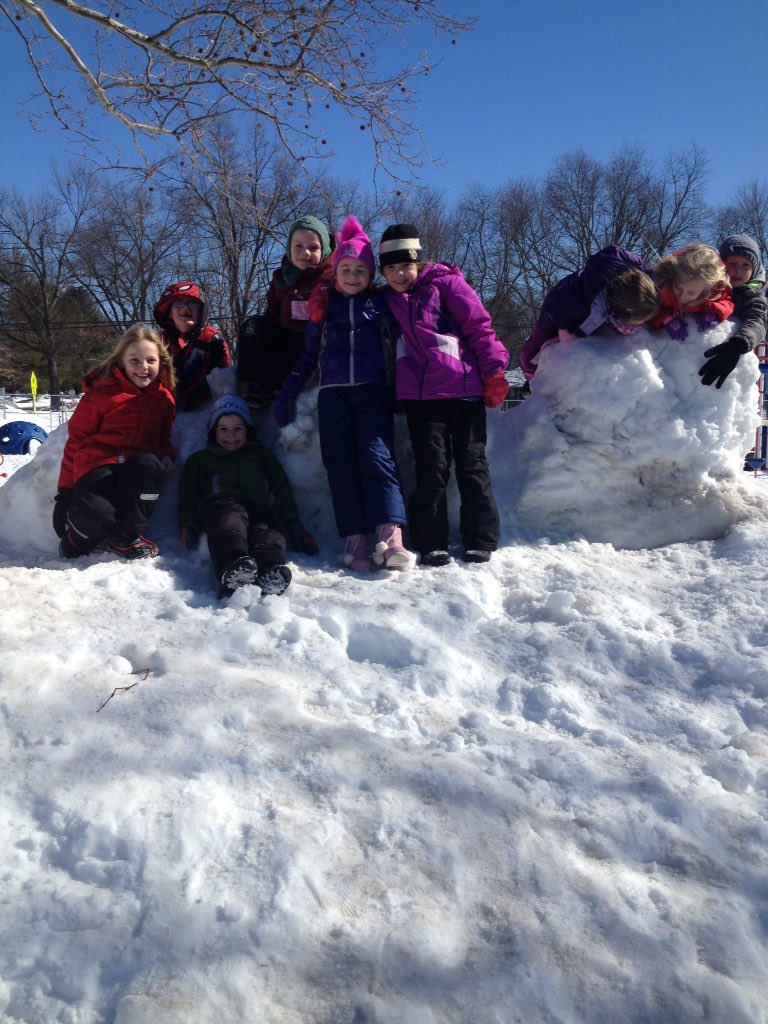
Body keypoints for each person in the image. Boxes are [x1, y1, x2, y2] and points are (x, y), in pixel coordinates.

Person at [274, 215, 413, 572]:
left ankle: (391, 535)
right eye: (346, 269)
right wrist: (288, 393)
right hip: (332, 395)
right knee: (340, 464)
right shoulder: (324, 308)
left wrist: (401, 389)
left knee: (378, 458)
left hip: (372, 392)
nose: (352, 276)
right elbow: (308, 357)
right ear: (335, 272)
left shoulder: (380, 305)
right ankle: (355, 540)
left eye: (360, 270)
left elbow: (400, 348)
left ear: (371, 275)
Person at [378, 222, 510, 568]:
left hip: (464, 390)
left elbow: (479, 327)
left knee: (471, 462)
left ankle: (480, 537)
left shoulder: (447, 284)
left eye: (405, 265)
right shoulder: (386, 300)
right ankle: (431, 540)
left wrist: (494, 371)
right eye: (391, 268)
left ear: (418, 262)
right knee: (431, 467)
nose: (399, 274)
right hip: (422, 398)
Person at [53, 324, 175, 560]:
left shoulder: (164, 399)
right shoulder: (101, 395)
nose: (143, 367)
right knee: (97, 518)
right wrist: (64, 493)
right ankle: (76, 540)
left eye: (151, 360)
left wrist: (167, 454)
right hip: (98, 466)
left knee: (148, 464)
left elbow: (162, 435)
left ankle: (127, 536)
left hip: (136, 470)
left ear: (161, 362)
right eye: (134, 360)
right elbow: (76, 441)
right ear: (121, 361)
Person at [178, 394, 318, 598]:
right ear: (213, 431)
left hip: (259, 509)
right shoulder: (201, 460)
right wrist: (187, 520)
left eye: (238, 428)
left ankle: (270, 570)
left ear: (248, 430)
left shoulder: (261, 456)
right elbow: (187, 491)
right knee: (230, 522)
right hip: (221, 507)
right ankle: (233, 566)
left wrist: (293, 521)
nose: (231, 435)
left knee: (268, 533)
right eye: (223, 429)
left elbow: (281, 487)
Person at [519, 245, 661, 381]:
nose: (640, 325)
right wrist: (567, 332)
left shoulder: (639, 278)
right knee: (530, 357)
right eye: (636, 321)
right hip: (555, 316)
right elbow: (557, 311)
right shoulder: (574, 303)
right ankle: (533, 381)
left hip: (595, 302)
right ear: (619, 313)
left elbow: (617, 252)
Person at [236, 216, 335, 410]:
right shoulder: (281, 278)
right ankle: (252, 385)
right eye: (299, 246)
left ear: (324, 250)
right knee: (253, 326)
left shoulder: (332, 278)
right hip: (288, 342)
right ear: (289, 248)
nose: (305, 252)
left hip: (319, 346)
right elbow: (272, 314)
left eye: (313, 247)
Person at [698, 234, 767, 389]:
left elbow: (757, 319)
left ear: (754, 269)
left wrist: (738, 345)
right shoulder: (706, 285)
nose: (738, 270)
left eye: (746, 265)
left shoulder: (752, 294)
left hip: (730, 357)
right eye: (732, 263)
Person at [153, 281, 231, 411]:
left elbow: (220, 379)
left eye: (193, 303)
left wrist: (183, 401)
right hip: (162, 408)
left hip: (206, 409)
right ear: (169, 312)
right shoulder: (156, 342)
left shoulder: (212, 340)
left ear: (201, 311)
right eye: (178, 303)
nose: (185, 308)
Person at [650, 244, 734, 339]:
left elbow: (727, 302)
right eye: (678, 287)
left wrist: (715, 312)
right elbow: (650, 307)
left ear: (707, 289)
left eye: (691, 293)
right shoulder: (664, 288)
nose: (682, 297)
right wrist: (665, 318)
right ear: (673, 277)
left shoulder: (714, 293)